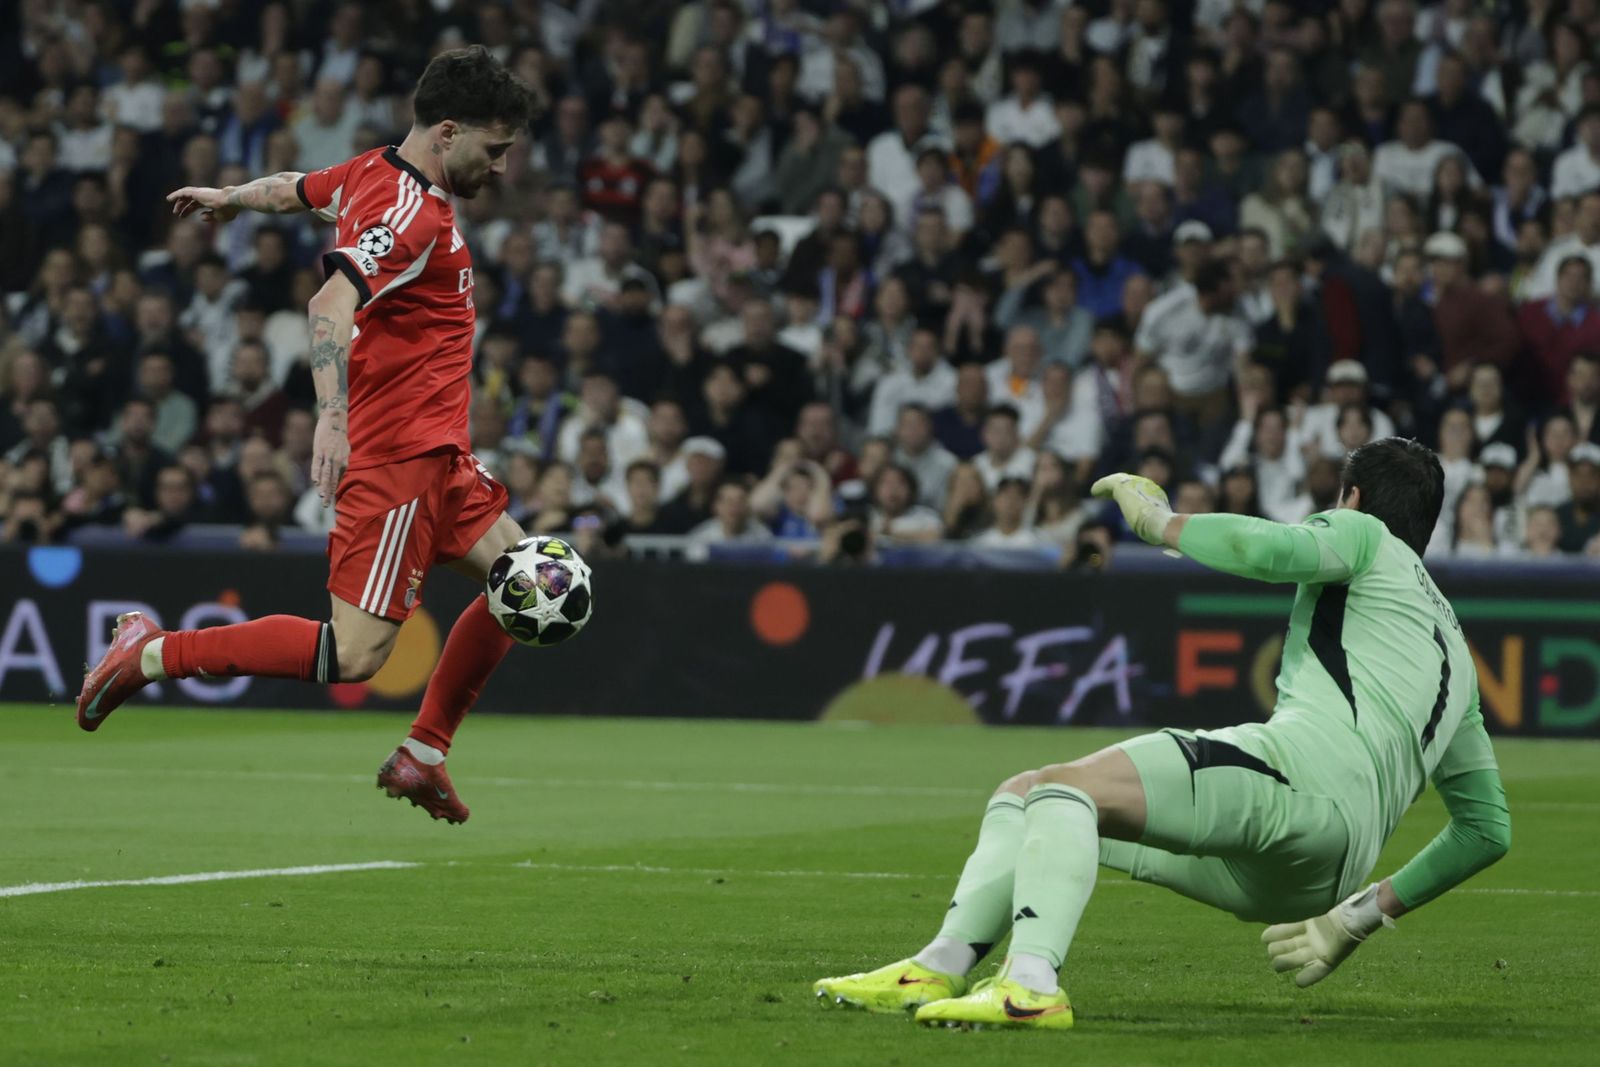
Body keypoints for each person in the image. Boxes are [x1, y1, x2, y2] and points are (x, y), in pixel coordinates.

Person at [815, 438, 1509, 1028]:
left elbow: (1269, 548)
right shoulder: (1455, 650)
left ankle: (1029, 985)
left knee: (1060, 789)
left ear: (1351, 498)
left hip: (1298, 784)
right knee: (1028, 797)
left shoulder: (1363, 536)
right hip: (1319, 881)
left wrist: (1159, 522)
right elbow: (1486, 830)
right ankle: (936, 967)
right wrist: (1355, 916)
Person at [80, 47, 537, 826]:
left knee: (525, 582)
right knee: (354, 655)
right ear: (448, 132)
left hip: (441, 456)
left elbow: (297, 188)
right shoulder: (411, 214)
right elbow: (330, 305)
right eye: (493, 149)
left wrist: (231, 197)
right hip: (397, 461)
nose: (500, 167)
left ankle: (424, 753)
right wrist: (332, 416)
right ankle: (152, 652)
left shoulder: (372, 171)